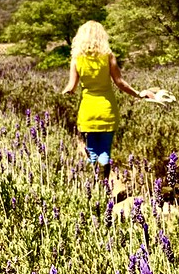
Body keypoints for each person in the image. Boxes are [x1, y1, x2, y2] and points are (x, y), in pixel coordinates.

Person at [61, 21, 153, 171]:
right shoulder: (108, 56)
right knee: (105, 151)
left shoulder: (77, 59)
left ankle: (94, 186)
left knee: (91, 152)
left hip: (88, 111)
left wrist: (60, 96)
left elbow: (71, 87)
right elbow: (120, 82)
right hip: (107, 109)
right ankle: (105, 187)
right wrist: (138, 94)